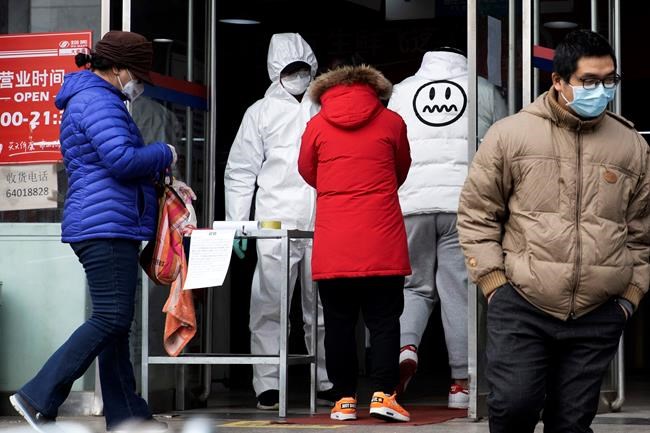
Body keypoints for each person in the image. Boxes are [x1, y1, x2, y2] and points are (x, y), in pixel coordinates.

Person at [457, 29, 650, 432]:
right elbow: (477, 213)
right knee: (513, 408)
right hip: (522, 301)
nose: (601, 90)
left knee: (572, 422)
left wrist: (629, 297)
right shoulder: (511, 135)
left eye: (609, 80)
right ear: (558, 81)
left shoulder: (631, 145)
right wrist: (494, 284)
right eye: (589, 81)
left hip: (599, 309)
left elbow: (641, 230)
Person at [9, 31, 175, 433]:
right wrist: (164, 153)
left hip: (104, 221)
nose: (137, 83)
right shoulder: (98, 100)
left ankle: (128, 415)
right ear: (116, 68)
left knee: (116, 324)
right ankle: (37, 395)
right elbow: (121, 159)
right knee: (111, 318)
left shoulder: (93, 98)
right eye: (136, 74)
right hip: (105, 225)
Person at [387, 47, 505, 409]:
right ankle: (461, 383)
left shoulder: (402, 91)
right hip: (464, 205)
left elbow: (390, 146)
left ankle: (406, 346)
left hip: (412, 203)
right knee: (460, 290)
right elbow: (504, 144)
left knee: (413, 285)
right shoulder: (483, 89)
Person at [223, 32, 333, 410]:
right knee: (269, 304)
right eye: (291, 70)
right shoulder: (260, 112)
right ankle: (267, 382)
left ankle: (324, 378)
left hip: (321, 220)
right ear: (276, 72)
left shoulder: (326, 107)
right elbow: (241, 171)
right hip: (275, 223)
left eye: (303, 69)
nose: (298, 76)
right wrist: (238, 223)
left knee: (321, 307)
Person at [298, 64, 412, 422]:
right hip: (382, 239)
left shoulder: (316, 126)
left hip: (335, 242)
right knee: (384, 321)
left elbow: (307, 171)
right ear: (373, 89)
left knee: (338, 324)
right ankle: (383, 395)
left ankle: (344, 399)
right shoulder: (392, 122)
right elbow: (401, 169)